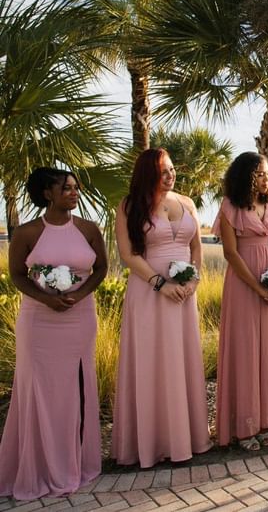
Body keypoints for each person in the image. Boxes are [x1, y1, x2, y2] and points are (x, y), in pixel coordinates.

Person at [0, 168, 107, 500]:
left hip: (80, 319)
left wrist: (81, 293)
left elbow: (101, 268)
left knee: (76, 388)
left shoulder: (89, 229)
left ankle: (76, 460)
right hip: (39, 321)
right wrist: (47, 298)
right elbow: (17, 274)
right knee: (38, 390)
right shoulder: (28, 232)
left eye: (76, 188)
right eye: (66, 188)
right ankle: (38, 466)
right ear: (47, 193)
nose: (74, 193)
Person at [112, 148, 212, 467]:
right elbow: (128, 255)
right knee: (152, 361)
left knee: (182, 359)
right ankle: (153, 443)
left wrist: (193, 281)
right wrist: (161, 284)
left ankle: (188, 438)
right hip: (149, 293)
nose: (171, 176)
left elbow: (196, 247)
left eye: (172, 169)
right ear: (148, 174)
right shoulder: (129, 206)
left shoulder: (187, 203)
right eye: (163, 171)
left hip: (185, 294)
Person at [213, 152, 268, 451]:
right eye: (259, 174)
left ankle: (265, 419)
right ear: (245, 175)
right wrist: (258, 288)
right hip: (244, 284)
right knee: (246, 351)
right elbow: (231, 253)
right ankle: (244, 427)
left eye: (267, 174)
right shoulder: (230, 207)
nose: (265, 179)